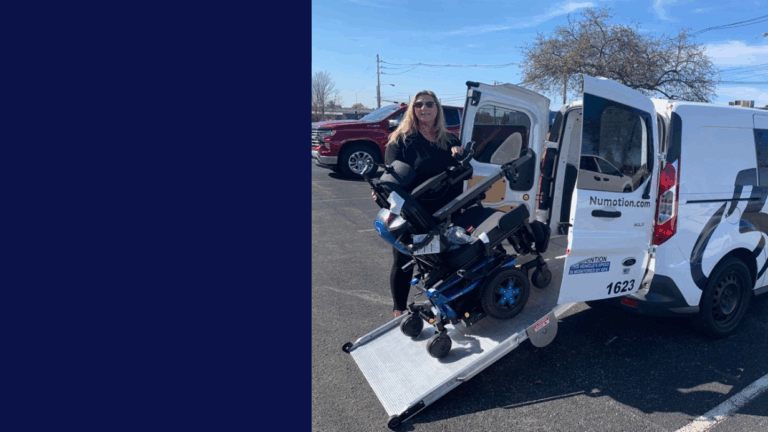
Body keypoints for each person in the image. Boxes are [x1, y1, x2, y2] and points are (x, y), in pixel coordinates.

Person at [378, 90, 464, 318]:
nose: (424, 108)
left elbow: (460, 173)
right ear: (412, 110)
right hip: (415, 214)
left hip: (446, 211)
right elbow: (391, 181)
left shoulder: (450, 139)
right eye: (418, 105)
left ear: (437, 108)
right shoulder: (401, 140)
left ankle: (449, 305)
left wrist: (459, 154)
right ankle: (398, 310)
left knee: (445, 257)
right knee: (404, 259)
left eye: (429, 104)